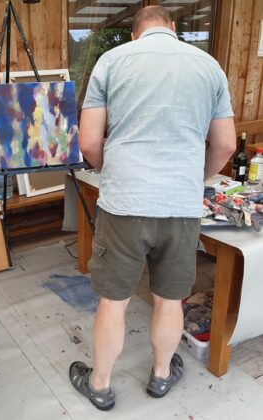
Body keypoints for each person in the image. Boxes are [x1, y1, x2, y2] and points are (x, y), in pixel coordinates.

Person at [69, 5, 236, 411]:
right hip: (180, 206)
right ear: (173, 28)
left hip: (124, 203)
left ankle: (100, 385)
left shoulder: (112, 61)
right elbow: (226, 145)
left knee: (114, 301)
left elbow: (89, 142)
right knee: (169, 298)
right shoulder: (209, 67)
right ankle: (161, 375)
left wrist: (111, 171)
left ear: (134, 33)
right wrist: (193, 178)